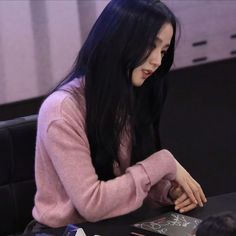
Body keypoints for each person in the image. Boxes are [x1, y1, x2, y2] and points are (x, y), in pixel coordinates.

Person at [29, 0, 207, 231]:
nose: (157, 61)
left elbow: (128, 178)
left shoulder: (130, 96)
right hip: (66, 231)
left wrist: (167, 192)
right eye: (150, 46)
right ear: (119, 42)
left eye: (163, 51)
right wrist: (163, 163)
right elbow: (92, 204)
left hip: (120, 225)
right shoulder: (62, 109)